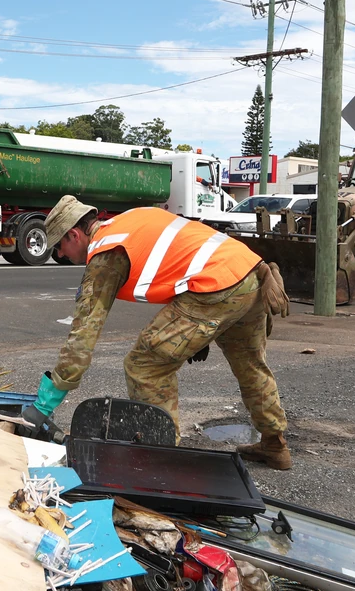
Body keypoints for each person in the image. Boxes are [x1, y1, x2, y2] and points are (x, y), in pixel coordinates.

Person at [21, 195, 293, 470]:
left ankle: (161, 455)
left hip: (215, 285)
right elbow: (180, 260)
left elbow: (83, 335)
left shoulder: (107, 251)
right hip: (250, 274)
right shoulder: (127, 222)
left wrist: (45, 404)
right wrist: (200, 334)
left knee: (144, 365)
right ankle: (274, 445)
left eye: (59, 247)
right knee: (250, 365)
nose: (60, 255)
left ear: (73, 234)